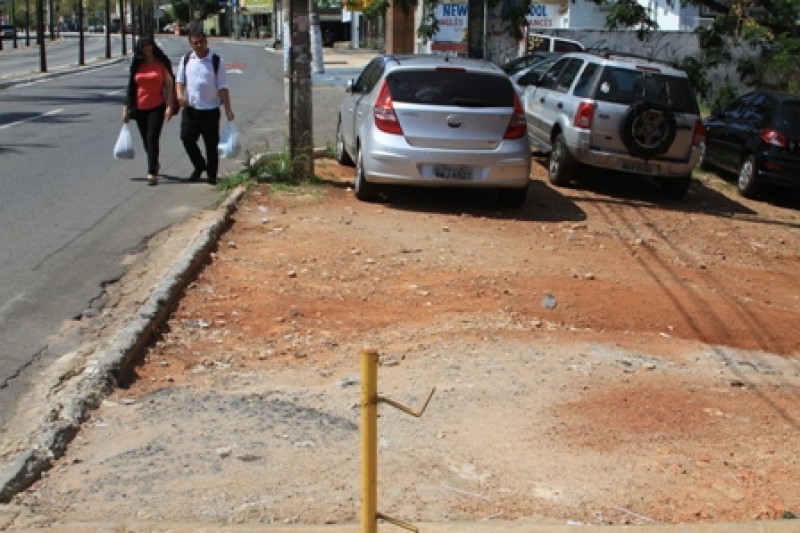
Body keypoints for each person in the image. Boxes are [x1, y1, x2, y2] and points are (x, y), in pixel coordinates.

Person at [175, 28, 235, 185]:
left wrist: (228, 109)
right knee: (186, 139)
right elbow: (180, 81)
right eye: (195, 43)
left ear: (206, 41)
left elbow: (222, 86)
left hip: (210, 110)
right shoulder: (186, 59)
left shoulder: (216, 61)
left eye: (201, 42)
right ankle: (200, 165)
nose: (198, 45)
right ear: (190, 44)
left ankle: (212, 175)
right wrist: (180, 96)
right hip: (191, 110)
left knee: (211, 145)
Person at [122, 36, 175, 186]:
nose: (147, 49)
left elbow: (169, 85)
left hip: (157, 106)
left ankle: (152, 172)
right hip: (139, 107)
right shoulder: (137, 65)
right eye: (144, 46)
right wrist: (126, 108)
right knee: (146, 140)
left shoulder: (160, 64)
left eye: (149, 45)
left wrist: (170, 106)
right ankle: (155, 162)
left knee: (152, 138)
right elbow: (130, 88)